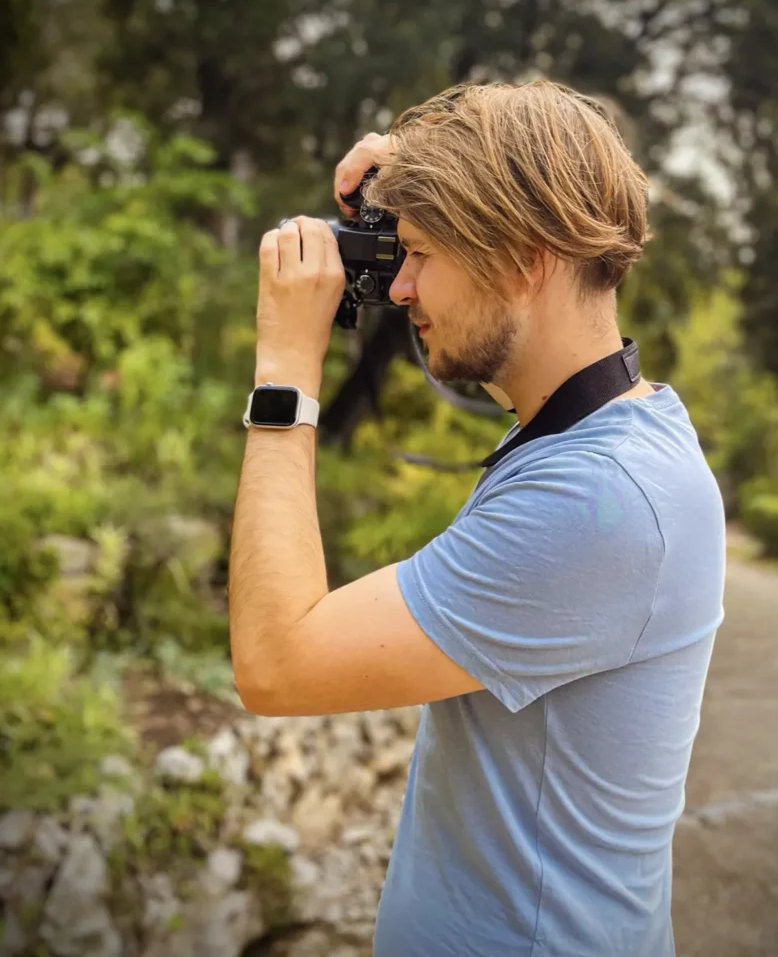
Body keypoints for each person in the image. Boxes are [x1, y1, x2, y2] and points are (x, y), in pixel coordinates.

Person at [228, 80, 726, 957]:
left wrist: (285, 372)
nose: (401, 287)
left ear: (525, 258)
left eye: (421, 253)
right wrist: (432, 179)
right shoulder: (614, 438)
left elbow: (277, 664)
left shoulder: (599, 503)